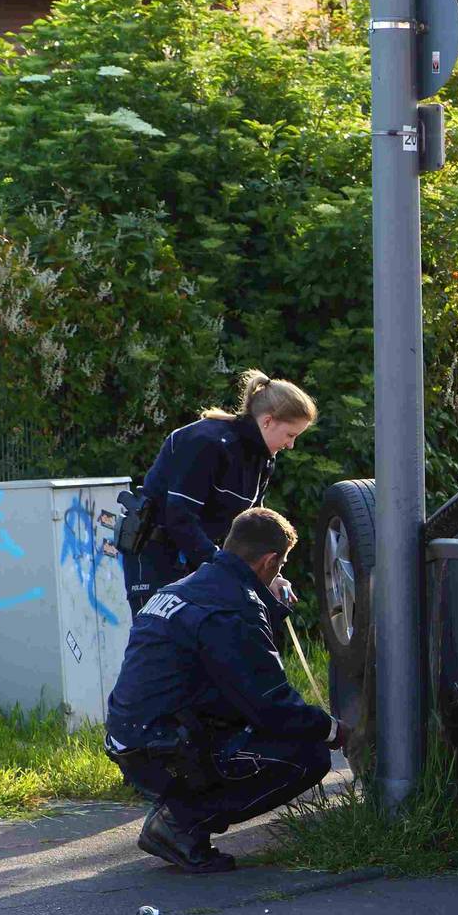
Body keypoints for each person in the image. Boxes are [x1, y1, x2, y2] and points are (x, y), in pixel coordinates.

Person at [106, 508, 347, 873]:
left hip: (135, 738)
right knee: (308, 756)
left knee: (254, 725)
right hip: (162, 750)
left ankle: (178, 806)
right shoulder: (234, 609)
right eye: (279, 567)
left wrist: (269, 606)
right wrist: (334, 729)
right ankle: (181, 823)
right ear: (269, 560)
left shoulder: (190, 586)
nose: (279, 574)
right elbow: (272, 706)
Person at [125, 370, 316, 613]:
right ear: (267, 421)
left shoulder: (264, 459)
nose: (291, 445)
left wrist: (270, 576)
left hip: (199, 555)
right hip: (155, 552)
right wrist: (226, 568)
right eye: (291, 435)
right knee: (162, 642)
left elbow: (253, 528)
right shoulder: (206, 442)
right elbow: (180, 517)